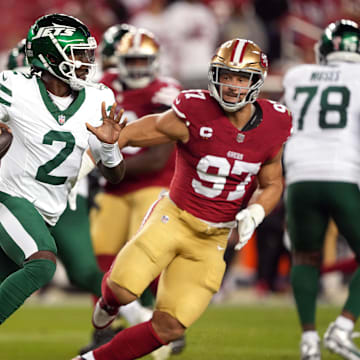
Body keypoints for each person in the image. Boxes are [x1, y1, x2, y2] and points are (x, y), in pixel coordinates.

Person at [73, 37, 292, 360]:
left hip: (213, 237)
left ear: (255, 81)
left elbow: (272, 181)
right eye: (226, 75)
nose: (232, 86)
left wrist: (256, 212)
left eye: (241, 78)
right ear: (214, 75)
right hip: (173, 217)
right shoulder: (195, 109)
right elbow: (147, 128)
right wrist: (114, 141)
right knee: (121, 289)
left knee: (170, 327)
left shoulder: (275, 123)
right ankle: (107, 304)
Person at [0, 13, 125, 325]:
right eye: (78, 53)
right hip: (8, 197)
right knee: (42, 263)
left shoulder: (99, 97)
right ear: (49, 55)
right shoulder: (13, 86)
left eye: (87, 53)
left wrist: (109, 149)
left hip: (49, 209)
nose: (86, 61)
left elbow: (115, 175)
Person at [81, 26, 182, 358]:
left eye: (142, 60)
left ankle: (161, 323)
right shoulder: (104, 84)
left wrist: (103, 167)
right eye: (131, 60)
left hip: (153, 184)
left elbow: (157, 157)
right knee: (101, 259)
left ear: (154, 62)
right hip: (113, 187)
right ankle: (118, 326)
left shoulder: (166, 90)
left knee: (147, 257)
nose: (137, 67)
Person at [283, 19, 360, 360]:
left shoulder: (297, 76)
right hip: (343, 171)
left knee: (305, 257)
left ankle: (308, 341)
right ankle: (342, 328)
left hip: (299, 174)